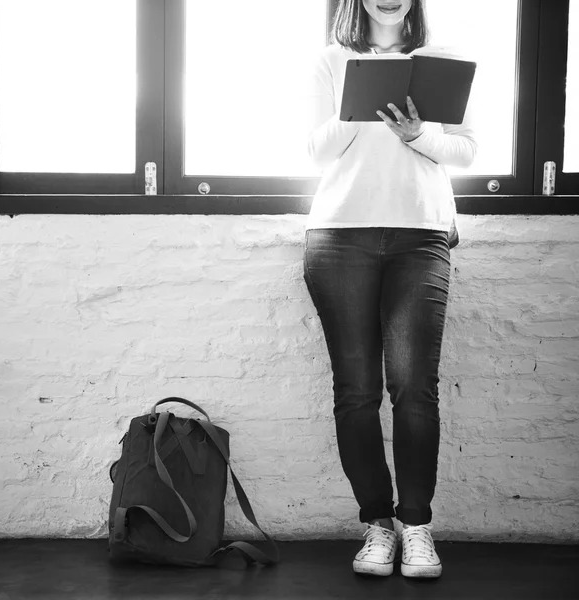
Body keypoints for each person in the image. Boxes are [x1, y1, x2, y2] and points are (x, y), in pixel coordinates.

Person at [303, 0, 477, 579]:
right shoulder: (332, 61)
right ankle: (376, 526)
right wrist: (359, 110)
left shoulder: (439, 63)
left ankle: (417, 528)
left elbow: (466, 150)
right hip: (340, 236)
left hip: (420, 235)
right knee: (357, 391)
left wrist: (418, 132)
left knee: (413, 388)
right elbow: (315, 151)